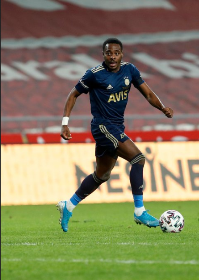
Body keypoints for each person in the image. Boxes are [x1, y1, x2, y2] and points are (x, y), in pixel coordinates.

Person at [57, 38, 173, 232]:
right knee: (138, 158)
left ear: (122, 54)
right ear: (103, 54)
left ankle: (68, 206)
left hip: (117, 127)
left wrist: (162, 108)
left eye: (116, 53)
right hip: (103, 126)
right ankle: (139, 211)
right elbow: (73, 95)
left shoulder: (130, 70)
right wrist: (65, 123)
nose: (112, 57)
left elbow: (148, 94)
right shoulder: (94, 75)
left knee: (102, 175)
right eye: (108, 53)